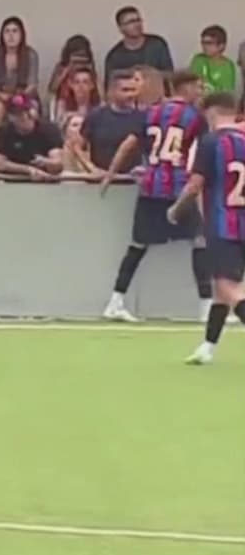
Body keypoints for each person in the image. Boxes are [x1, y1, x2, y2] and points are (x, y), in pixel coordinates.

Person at [100, 70, 209, 323]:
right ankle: (206, 306)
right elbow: (203, 152)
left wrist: (110, 174)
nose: (200, 92)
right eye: (197, 87)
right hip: (179, 187)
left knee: (138, 245)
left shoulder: (151, 113)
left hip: (151, 186)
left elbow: (128, 144)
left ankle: (115, 301)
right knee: (199, 242)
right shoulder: (195, 117)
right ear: (185, 87)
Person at [170, 93, 245, 364]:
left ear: (211, 113)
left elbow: (195, 184)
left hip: (224, 225)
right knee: (220, 292)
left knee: (229, 287)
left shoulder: (211, 141)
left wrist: (176, 209)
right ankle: (207, 347)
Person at [0, 94, 63, 180]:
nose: (24, 116)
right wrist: (28, 170)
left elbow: (58, 163)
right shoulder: (3, 132)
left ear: (34, 111)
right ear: (10, 117)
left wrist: (46, 162)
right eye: (17, 113)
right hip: (13, 181)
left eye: (26, 111)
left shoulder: (50, 130)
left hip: (45, 180)